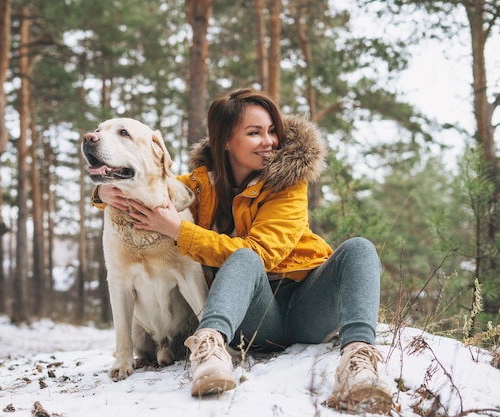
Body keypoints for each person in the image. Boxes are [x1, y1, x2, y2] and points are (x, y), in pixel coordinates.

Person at [93, 88, 392, 414]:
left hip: (307, 308)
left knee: (359, 249)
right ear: (224, 141)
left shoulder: (288, 185)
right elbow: (150, 179)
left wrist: (179, 230)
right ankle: (209, 352)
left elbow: (263, 255)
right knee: (242, 258)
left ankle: (359, 359)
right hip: (253, 317)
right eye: (254, 133)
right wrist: (103, 192)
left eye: (271, 131)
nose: (269, 141)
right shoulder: (198, 184)